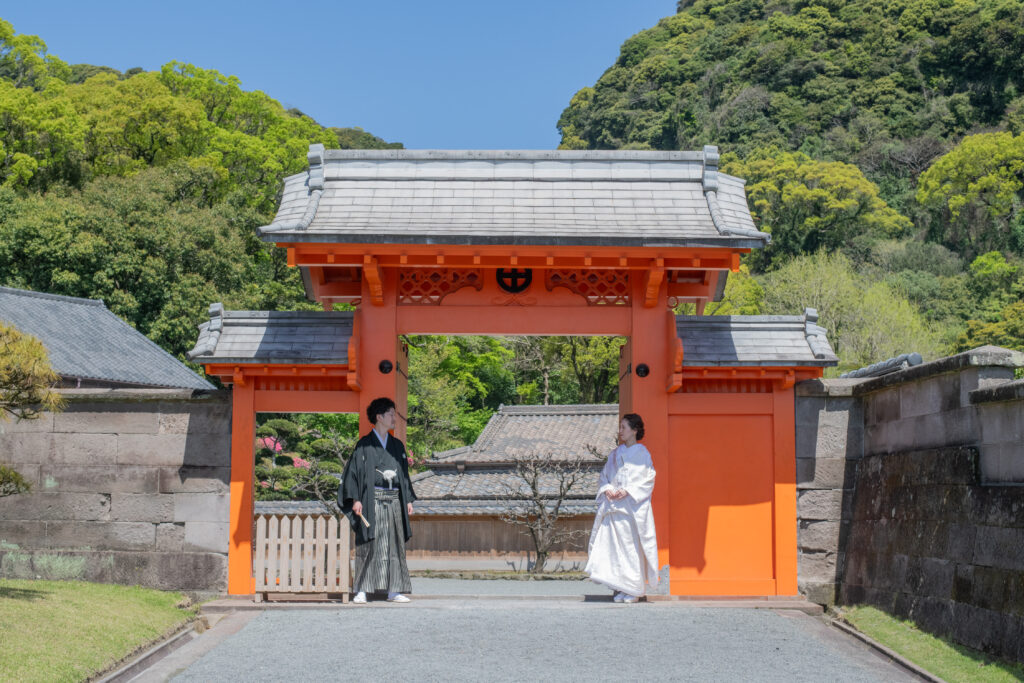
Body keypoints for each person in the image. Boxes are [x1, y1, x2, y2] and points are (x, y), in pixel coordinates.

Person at [339, 397, 416, 603]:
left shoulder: (397, 446)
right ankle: (362, 589)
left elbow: (404, 475)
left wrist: (407, 498)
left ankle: (394, 590)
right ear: (379, 417)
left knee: (394, 543)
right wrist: (355, 499)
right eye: (391, 414)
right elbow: (353, 473)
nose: (394, 418)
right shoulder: (364, 445)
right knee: (369, 543)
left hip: (394, 502)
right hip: (370, 500)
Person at [585, 413, 659, 603]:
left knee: (630, 548)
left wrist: (628, 490)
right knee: (614, 549)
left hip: (630, 509)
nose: (620, 431)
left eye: (624, 427)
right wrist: (608, 489)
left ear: (635, 430)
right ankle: (620, 587)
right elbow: (605, 477)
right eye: (620, 427)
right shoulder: (615, 454)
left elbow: (648, 479)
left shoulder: (642, 453)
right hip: (614, 508)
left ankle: (634, 589)